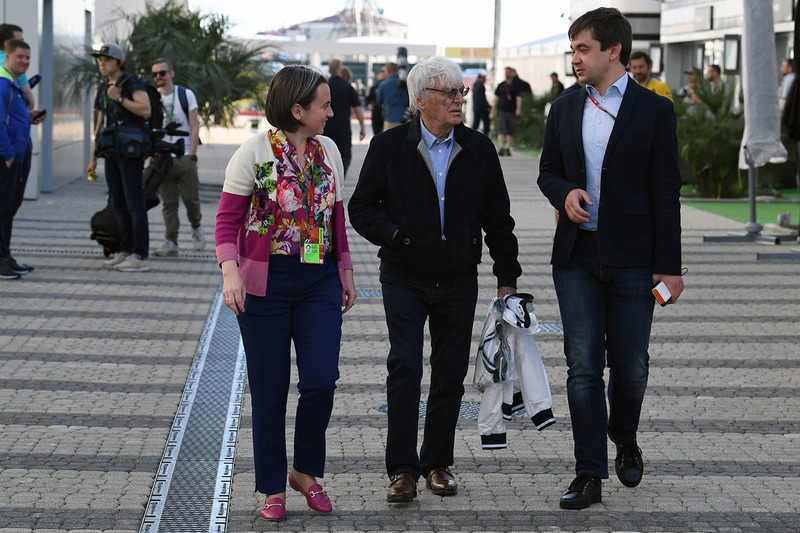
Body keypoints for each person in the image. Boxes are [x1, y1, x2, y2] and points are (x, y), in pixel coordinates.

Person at [348, 56, 521, 504]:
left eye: (461, 91)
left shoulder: (478, 149)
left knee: (448, 375)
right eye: (448, 92)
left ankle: (437, 464)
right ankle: (402, 470)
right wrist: (397, 236)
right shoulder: (389, 147)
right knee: (404, 367)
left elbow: (499, 219)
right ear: (421, 99)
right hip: (403, 277)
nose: (458, 99)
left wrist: (507, 278)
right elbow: (361, 208)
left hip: (459, 279)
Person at [537, 7, 684, 510]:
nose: (575, 58)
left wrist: (669, 266)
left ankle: (624, 437)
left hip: (635, 258)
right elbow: (547, 172)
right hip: (577, 254)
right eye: (573, 49)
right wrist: (565, 194)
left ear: (613, 50)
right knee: (582, 366)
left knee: (632, 365)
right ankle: (589, 473)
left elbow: (666, 192)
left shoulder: (654, 110)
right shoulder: (563, 107)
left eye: (583, 49)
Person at [215, 65, 356, 522]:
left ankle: (306, 472)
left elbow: (336, 217)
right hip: (265, 284)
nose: (332, 113)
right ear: (297, 110)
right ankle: (273, 486)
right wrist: (230, 273)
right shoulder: (253, 152)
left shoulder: (329, 150)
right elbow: (226, 222)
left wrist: (346, 271)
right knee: (270, 390)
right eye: (324, 105)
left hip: (318, 280)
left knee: (320, 380)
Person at [87, 43, 152, 272]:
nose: (102, 63)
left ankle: (140, 254)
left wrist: (120, 98)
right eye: (100, 59)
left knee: (134, 202)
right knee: (118, 201)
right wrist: (93, 157)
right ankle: (124, 250)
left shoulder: (130, 83)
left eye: (107, 59)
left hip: (130, 152)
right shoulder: (104, 88)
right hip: (111, 151)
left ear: (119, 62)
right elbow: (100, 124)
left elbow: (146, 110)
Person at [150, 57, 205, 257]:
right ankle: (171, 241)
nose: (158, 77)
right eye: (155, 74)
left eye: (162, 73)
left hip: (184, 156)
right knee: (168, 202)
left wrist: (191, 154)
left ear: (171, 74)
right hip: (162, 158)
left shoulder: (184, 94)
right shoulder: (152, 97)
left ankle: (196, 227)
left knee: (191, 199)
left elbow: (194, 125)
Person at [0, 40, 45, 280]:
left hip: (14, 154)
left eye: (28, 58)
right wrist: (7, 155)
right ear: (6, 55)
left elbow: (10, 120)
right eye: (20, 57)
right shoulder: (2, 84)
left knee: (8, 208)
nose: (25, 62)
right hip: (6, 157)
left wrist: (28, 118)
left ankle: (5, 257)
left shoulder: (13, 84)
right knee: (2, 208)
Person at [323, 59, 365, 177]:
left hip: (326, 127)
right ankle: (340, 178)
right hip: (343, 128)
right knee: (345, 156)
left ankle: (328, 179)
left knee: (326, 155)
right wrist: (362, 128)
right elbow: (358, 110)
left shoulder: (325, 86)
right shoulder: (348, 87)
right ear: (340, 70)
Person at [0, 25, 34, 110]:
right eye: (19, 42)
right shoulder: (14, 66)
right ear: (7, 44)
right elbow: (30, 103)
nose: (23, 44)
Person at [493, 66, 522, 156]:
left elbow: (518, 98)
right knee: (501, 129)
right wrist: (493, 109)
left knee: (510, 130)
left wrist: (518, 109)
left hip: (511, 111)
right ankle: (501, 147)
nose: (507, 74)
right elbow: (496, 98)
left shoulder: (515, 86)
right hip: (502, 110)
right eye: (506, 72)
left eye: (509, 72)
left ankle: (508, 148)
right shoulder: (501, 85)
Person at [376, 62, 409, 130]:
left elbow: (379, 101)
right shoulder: (403, 83)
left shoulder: (383, 85)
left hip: (390, 117)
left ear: (387, 71)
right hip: (405, 117)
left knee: (389, 139)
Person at [365, 70, 386, 135]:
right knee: (376, 131)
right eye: (380, 75)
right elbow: (368, 98)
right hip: (376, 112)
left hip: (385, 113)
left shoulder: (388, 86)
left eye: (383, 75)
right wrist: (368, 104)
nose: (382, 77)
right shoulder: (374, 87)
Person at [471, 72, 491, 136]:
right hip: (482, 107)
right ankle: (486, 135)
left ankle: (470, 135)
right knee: (486, 122)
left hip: (476, 107)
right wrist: (488, 106)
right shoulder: (481, 86)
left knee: (476, 123)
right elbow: (483, 98)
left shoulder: (475, 84)